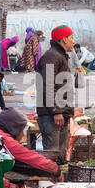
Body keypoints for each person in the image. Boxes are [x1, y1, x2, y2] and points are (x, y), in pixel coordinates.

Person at [36, 25, 75, 164]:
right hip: (51, 114)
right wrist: (55, 111)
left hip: (61, 112)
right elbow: (48, 86)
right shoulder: (52, 56)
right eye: (71, 38)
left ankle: (59, 182)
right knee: (52, 157)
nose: (73, 41)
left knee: (60, 157)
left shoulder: (60, 55)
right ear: (64, 39)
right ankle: (50, 184)